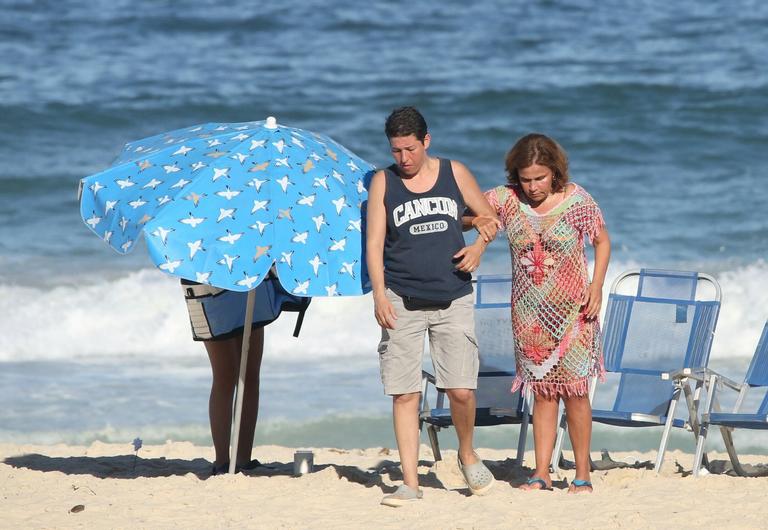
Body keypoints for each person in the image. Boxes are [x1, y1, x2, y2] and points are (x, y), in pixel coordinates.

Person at [366, 106, 500, 507]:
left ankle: (466, 453)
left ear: (426, 141)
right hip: (401, 299)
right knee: (404, 393)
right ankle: (410, 481)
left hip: (453, 297)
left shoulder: (454, 173)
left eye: (410, 149)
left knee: (460, 390)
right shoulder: (383, 182)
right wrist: (378, 293)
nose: (403, 159)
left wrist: (478, 247)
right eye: (395, 151)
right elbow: (374, 242)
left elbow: (490, 217)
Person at [482, 133, 610, 494]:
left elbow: (602, 241)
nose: (533, 186)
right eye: (525, 179)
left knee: (576, 391)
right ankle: (541, 473)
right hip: (528, 314)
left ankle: (582, 473)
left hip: (574, 312)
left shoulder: (577, 201)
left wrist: (596, 286)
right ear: (515, 176)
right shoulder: (506, 200)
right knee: (541, 392)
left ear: (554, 172)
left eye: (540, 178)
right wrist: (475, 226)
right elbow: (471, 211)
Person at [181, 271, 309, 475]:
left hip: (246, 273)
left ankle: (243, 459)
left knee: (249, 375)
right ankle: (222, 462)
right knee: (225, 375)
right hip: (207, 277)